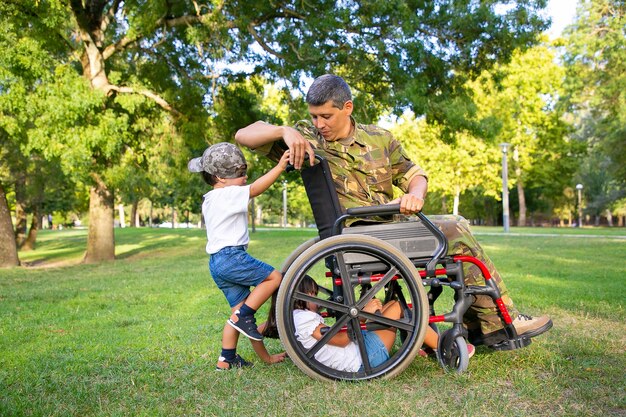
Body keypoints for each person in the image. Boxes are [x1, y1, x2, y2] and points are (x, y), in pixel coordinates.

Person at [235, 74, 553, 348]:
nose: (320, 124)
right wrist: (283, 131)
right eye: (314, 116)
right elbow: (243, 135)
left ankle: (484, 325)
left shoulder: (380, 138)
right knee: (455, 229)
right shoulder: (308, 139)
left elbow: (416, 175)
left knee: (456, 228)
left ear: (348, 108)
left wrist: (415, 195)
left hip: (391, 226)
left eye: (326, 116)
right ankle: (497, 323)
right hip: (357, 235)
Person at [188, 142, 289, 370]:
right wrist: (280, 167)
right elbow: (255, 189)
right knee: (274, 278)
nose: (244, 177)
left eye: (245, 172)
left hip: (217, 264)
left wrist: (268, 358)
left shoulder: (210, 199)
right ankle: (243, 317)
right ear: (219, 178)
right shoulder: (226, 195)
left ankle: (226, 359)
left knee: (239, 315)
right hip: (232, 257)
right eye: (239, 173)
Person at [293, 276, 473, 372]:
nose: (316, 300)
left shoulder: (297, 317)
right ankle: (445, 349)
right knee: (396, 308)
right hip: (365, 359)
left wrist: (363, 316)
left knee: (389, 306)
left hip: (359, 349)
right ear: (301, 297)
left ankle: (424, 342)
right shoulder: (303, 319)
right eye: (312, 295)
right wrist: (362, 315)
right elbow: (340, 340)